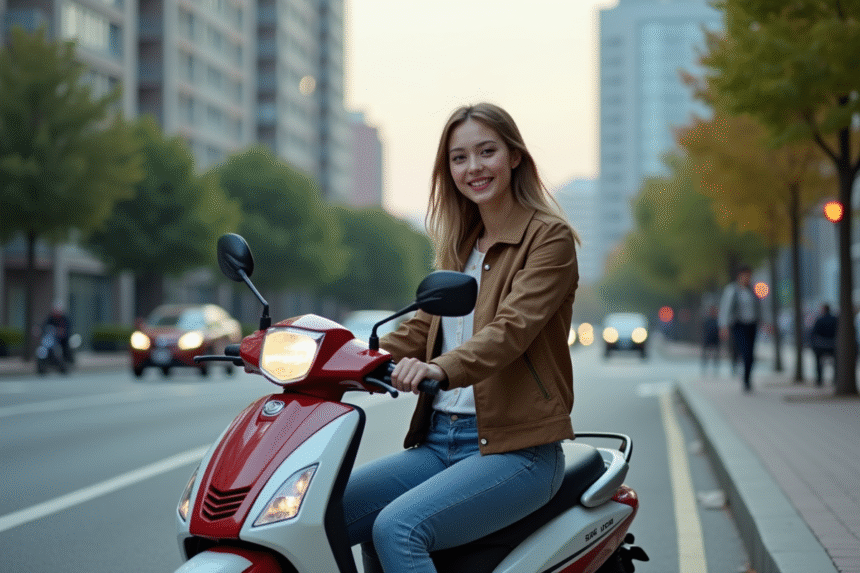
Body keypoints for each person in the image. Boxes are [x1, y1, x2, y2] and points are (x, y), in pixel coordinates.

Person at [342, 103, 579, 573]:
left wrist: (439, 368)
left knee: (396, 528)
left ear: (514, 156)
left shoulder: (548, 239)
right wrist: (338, 358)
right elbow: (421, 329)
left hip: (518, 449)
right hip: (438, 442)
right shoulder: (460, 244)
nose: (473, 167)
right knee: (330, 511)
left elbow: (510, 330)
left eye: (486, 152)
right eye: (459, 158)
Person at [719, 265, 761, 392]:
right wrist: (723, 326)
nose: (747, 278)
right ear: (740, 276)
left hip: (752, 325)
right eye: (745, 275)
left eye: (749, 275)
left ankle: (747, 377)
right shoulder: (732, 290)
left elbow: (761, 307)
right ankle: (745, 378)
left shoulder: (753, 290)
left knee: (751, 354)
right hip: (739, 325)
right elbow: (725, 309)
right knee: (745, 351)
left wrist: (766, 322)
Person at [809, 303, 837, 387]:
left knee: (818, 363)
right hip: (833, 345)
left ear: (823, 310)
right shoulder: (835, 319)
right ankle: (835, 379)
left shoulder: (819, 320)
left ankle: (819, 380)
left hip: (820, 345)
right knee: (836, 363)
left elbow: (813, 333)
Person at [701, 305, 720, 375]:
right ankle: (704, 369)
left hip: (715, 340)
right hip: (708, 339)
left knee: (716, 356)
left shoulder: (718, 321)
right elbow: (704, 329)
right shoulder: (707, 321)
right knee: (706, 356)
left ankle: (716, 370)